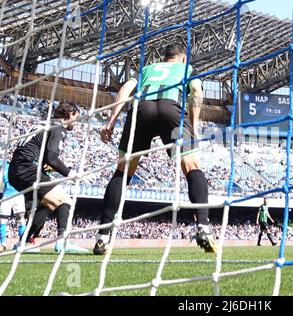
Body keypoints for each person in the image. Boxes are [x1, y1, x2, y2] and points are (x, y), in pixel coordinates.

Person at [94, 43, 216, 255]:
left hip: (141, 110)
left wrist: (111, 121)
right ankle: (203, 226)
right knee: (192, 166)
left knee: (122, 172)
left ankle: (102, 237)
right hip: (172, 111)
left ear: (164, 57)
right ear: (183, 58)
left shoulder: (146, 69)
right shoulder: (187, 70)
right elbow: (196, 91)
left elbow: (124, 89)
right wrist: (193, 126)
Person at [8, 101, 88, 253]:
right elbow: (52, 158)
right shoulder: (58, 127)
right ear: (69, 114)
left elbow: (41, 156)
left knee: (49, 205)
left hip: (15, 170)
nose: (76, 122)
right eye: (76, 117)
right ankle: (62, 241)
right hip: (27, 168)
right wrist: (72, 175)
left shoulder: (43, 123)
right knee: (65, 200)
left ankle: (23, 243)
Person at [0, 161, 26, 252]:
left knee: (20, 218)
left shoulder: (19, 164)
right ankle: (3, 244)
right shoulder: (4, 164)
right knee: (3, 219)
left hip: (17, 194)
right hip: (8, 194)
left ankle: (21, 243)